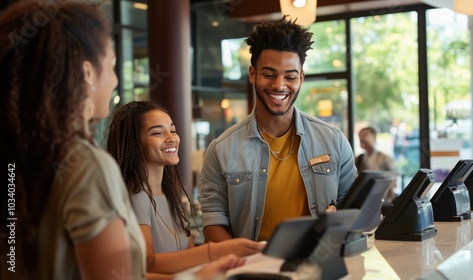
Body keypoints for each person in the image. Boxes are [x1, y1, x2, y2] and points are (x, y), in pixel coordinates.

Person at [0, 1, 244, 279]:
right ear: (88, 73)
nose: (116, 80)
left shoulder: (20, 160)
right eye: (112, 66)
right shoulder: (88, 166)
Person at [199, 16, 358, 243]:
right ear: (253, 74)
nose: (279, 85)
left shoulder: (333, 140)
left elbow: (353, 209)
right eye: (269, 74)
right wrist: (250, 261)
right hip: (253, 271)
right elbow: (214, 224)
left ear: (301, 78)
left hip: (321, 264)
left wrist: (339, 219)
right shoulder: (221, 150)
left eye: (290, 77)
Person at [106, 100, 265, 276]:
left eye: (173, 130)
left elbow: (188, 259)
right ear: (134, 143)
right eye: (158, 133)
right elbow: (146, 262)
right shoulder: (136, 196)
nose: (171, 138)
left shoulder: (171, 196)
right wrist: (215, 251)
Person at [356, 126, 397, 203]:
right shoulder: (359, 158)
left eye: (365, 135)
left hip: (382, 197)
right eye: (360, 136)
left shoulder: (384, 157)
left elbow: (394, 179)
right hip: (365, 198)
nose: (362, 138)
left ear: (374, 137)